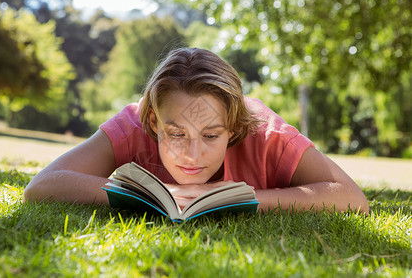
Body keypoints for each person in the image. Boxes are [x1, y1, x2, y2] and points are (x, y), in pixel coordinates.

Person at [23, 47, 369, 214]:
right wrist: (157, 196)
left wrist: (240, 200)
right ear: (155, 122)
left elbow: (352, 199)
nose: (191, 154)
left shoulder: (267, 132)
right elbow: (42, 185)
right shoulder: (135, 121)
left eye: (210, 135)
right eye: (175, 134)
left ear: (232, 126)